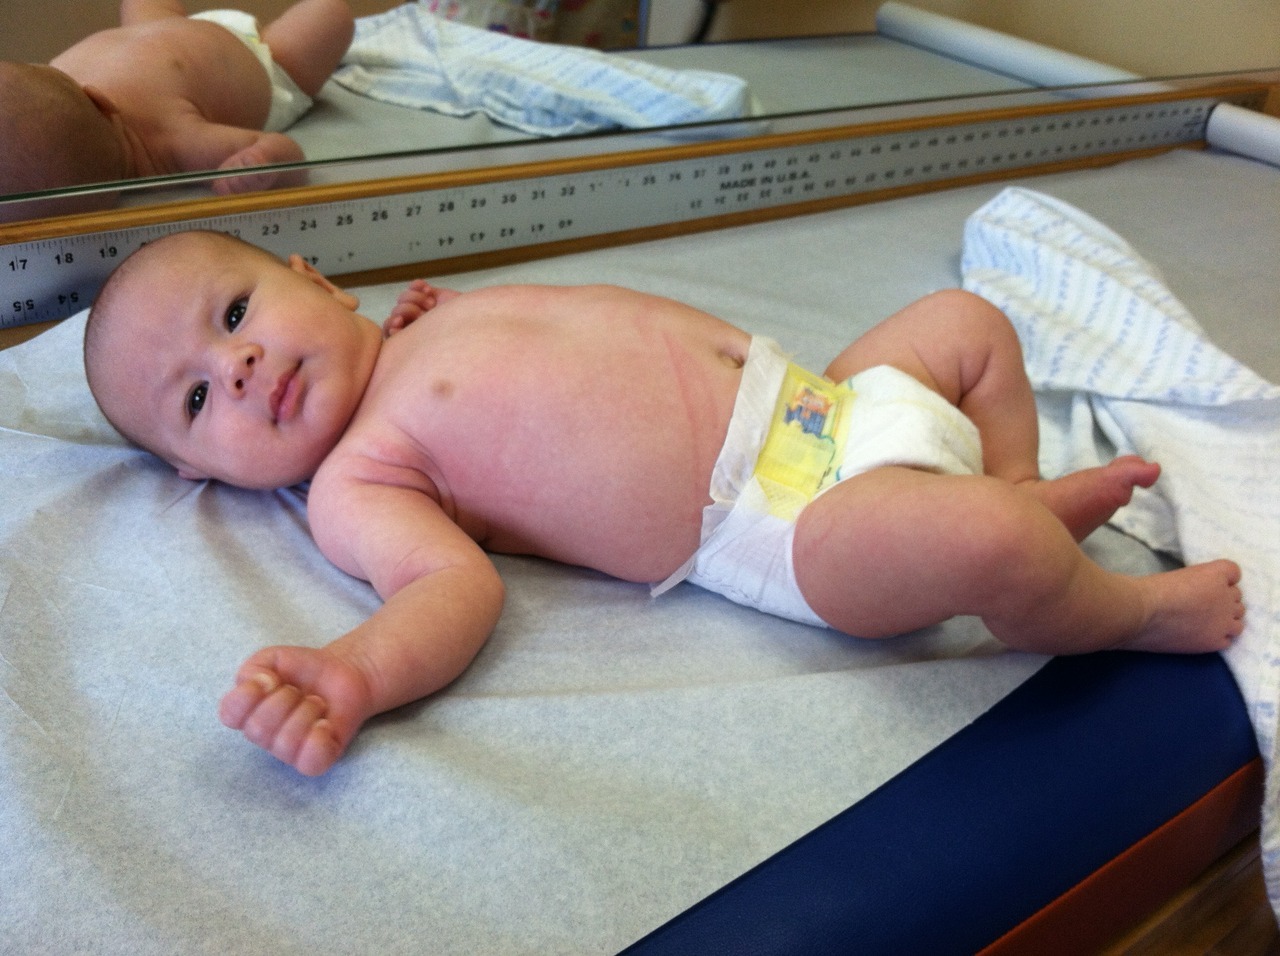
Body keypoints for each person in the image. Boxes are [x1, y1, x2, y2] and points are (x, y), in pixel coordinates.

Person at [83, 229, 1246, 776]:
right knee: (984, 543)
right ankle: (1118, 610)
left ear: (313, 278)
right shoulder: (356, 477)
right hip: (784, 525)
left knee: (969, 326)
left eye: (233, 314)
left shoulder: (419, 323)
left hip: (823, 402)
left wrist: (429, 320)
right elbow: (447, 584)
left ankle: (1017, 484)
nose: (236, 365)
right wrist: (357, 670)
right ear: (202, 473)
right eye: (196, 399)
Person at [0, 0, 353, 221]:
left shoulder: (42, 97)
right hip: (268, 60)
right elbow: (287, 155)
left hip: (155, 26)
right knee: (330, 14)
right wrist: (263, 162)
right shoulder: (173, 141)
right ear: (99, 101)